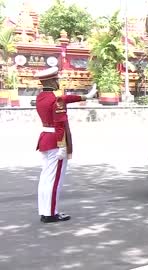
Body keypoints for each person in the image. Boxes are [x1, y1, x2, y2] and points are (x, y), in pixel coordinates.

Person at [35, 67, 97, 223]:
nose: (58, 82)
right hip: (56, 142)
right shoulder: (56, 101)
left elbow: (65, 98)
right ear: (50, 81)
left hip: (45, 140)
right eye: (56, 80)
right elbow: (60, 125)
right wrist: (62, 146)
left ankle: (44, 211)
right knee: (54, 180)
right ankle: (51, 213)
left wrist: (86, 96)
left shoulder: (41, 97)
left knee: (45, 178)